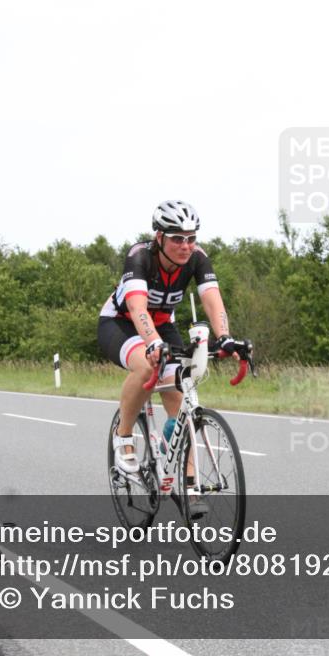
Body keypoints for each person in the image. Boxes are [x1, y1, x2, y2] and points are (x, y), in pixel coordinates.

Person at [97, 201, 241, 486]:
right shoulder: (139, 257)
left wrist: (225, 336)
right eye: (177, 238)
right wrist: (152, 343)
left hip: (163, 324)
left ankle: (188, 481)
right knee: (147, 368)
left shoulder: (198, 259)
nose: (186, 246)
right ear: (159, 237)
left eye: (191, 238)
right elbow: (138, 307)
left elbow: (213, 300)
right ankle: (123, 436)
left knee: (180, 393)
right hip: (121, 322)